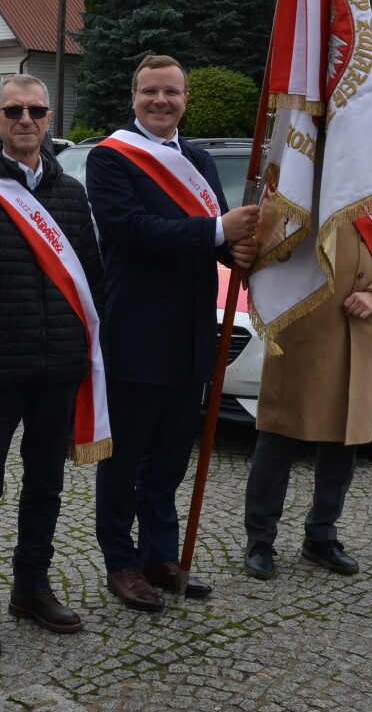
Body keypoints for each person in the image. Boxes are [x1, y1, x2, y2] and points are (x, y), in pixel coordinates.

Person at [87, 54, 258, 611]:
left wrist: (244, 248)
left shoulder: (199, 160)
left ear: (186, 99)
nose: (160, 100)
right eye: (150, 91)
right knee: (125, 459)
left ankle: (159, 554)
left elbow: (220, 239)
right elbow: (131, 230)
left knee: (169, 459)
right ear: (133, 97)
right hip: (136, 332)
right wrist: (217, 231)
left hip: (191, 334)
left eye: (171, 92)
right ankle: (120, 562)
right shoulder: (109, 158)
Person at [0, 74, 107, 655]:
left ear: (48, 119)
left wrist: (88, 358)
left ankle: (31, 587)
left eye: (36, 110)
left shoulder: (72, 194)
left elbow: (91, 282)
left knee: (46, 485)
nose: (25, 120)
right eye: (13, 110)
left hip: (57, 369)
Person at [243, 163, 372, 580]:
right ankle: (260, 539)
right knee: (279, 435)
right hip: (303, 324)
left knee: (344, 439)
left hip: (361, 326)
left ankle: (321, 535)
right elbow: (265, 241)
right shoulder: (301, 167)